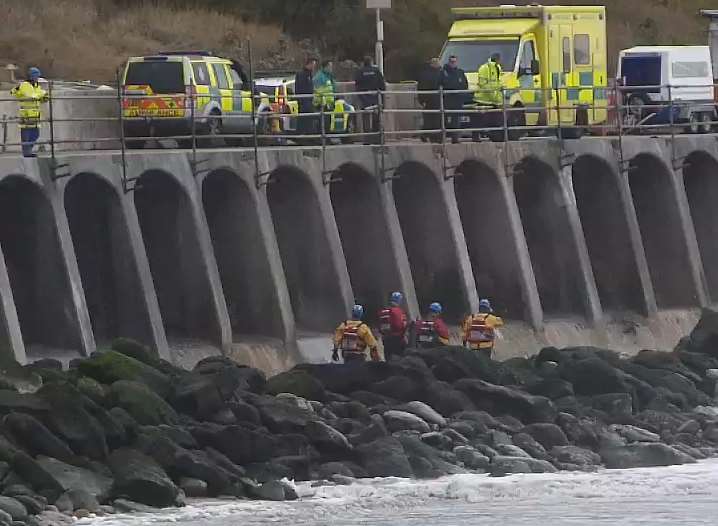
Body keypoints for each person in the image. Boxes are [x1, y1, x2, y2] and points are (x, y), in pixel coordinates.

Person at [11, 67, 47, 158]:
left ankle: (29, 150)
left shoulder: (36, 86)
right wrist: (42, 94)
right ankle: (27, 152)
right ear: (31, 76)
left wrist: (44, 97)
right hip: (26, 114)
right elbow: (32, 96)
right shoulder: (25, 85)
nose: (37, 78)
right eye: (36, 76)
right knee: (26, 135)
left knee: (35, 134)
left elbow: (39, 96)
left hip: (35, 114)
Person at [473, 52, 504, 141]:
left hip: (494, 99)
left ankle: (495, 137)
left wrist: (500, 90)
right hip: (483, 99)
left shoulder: (498, 68)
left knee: (495, 120)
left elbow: (498, 82)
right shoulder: (484, 68)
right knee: (480, 120)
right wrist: (493, 95)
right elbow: (483, 84)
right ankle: (476, 136)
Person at [354, 56, 386, 138]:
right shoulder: (376, 71)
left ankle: (367, 137)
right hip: (375, 97)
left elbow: (357, 85)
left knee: (366, 118)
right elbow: (382, 84)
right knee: (376, 117)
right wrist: (382, 97)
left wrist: (361, 96)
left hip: (364, 98)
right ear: (371, 62)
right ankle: (376, 137)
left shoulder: (360, 72)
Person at [439, 55, 468, 144]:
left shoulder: (460, 72)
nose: (453, 63)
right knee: (444, 119)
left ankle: (455, 138)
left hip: (457, 99)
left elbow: (464, 85)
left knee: (456, 119)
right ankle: (442, 137)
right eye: (451, 62)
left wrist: (461, 93)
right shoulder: (443, 72)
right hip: (447, 99)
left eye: (454, 62)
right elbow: (441, 84)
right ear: (448, 62)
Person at [378, 291, 408, 361]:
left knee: (389, 361)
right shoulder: (398, 311)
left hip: (386, 341)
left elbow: (380, 327)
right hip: (397, 340)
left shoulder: (383, 312)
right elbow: (401, 326)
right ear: (399, 300)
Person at [417, 58, 442, 142]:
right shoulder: (425, 74)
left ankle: (436, 136)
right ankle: (427, 135)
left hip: (437, 98)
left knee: (437, 118)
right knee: (429, 119)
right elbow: (421, 88)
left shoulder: (441, 73)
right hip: (429, 99)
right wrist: (422, 100)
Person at [295, 57, 318, 137]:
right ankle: (301, 134)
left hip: (308, 100)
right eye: (313, 65)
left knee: (308, 118)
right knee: (304, 118)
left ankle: (307, 134)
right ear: (310, 64)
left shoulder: (309, 74)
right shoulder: (302, 74)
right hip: (304, 100)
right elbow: (301, 88)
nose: (314, 67)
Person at [313, 60, 336, 134]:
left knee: (328, 122)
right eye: (330, 66)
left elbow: (331, 88)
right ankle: (324, 139)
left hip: (329, 103)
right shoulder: (320, 77)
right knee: (323, 123)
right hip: (323, 104)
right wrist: (322, 102)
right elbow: (318, 91)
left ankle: (327, 138)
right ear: (325, 67)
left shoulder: (329, 76)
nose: (331, 68)